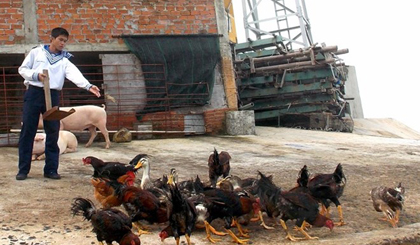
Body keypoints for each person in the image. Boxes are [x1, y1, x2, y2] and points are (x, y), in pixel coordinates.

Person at [16, 27, 101, 180]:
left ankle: (51, 169)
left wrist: (88, 86)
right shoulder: (37, 52)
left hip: (53, 95)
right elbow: (23, 69)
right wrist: (36, 75)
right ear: (52, 38)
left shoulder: (64, 60)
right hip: (34, 93)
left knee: (53, 132)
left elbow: (74, 74)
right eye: (60, 40)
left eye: (65, 41)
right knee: (28, 131)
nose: (63, 43)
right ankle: (23, 170)